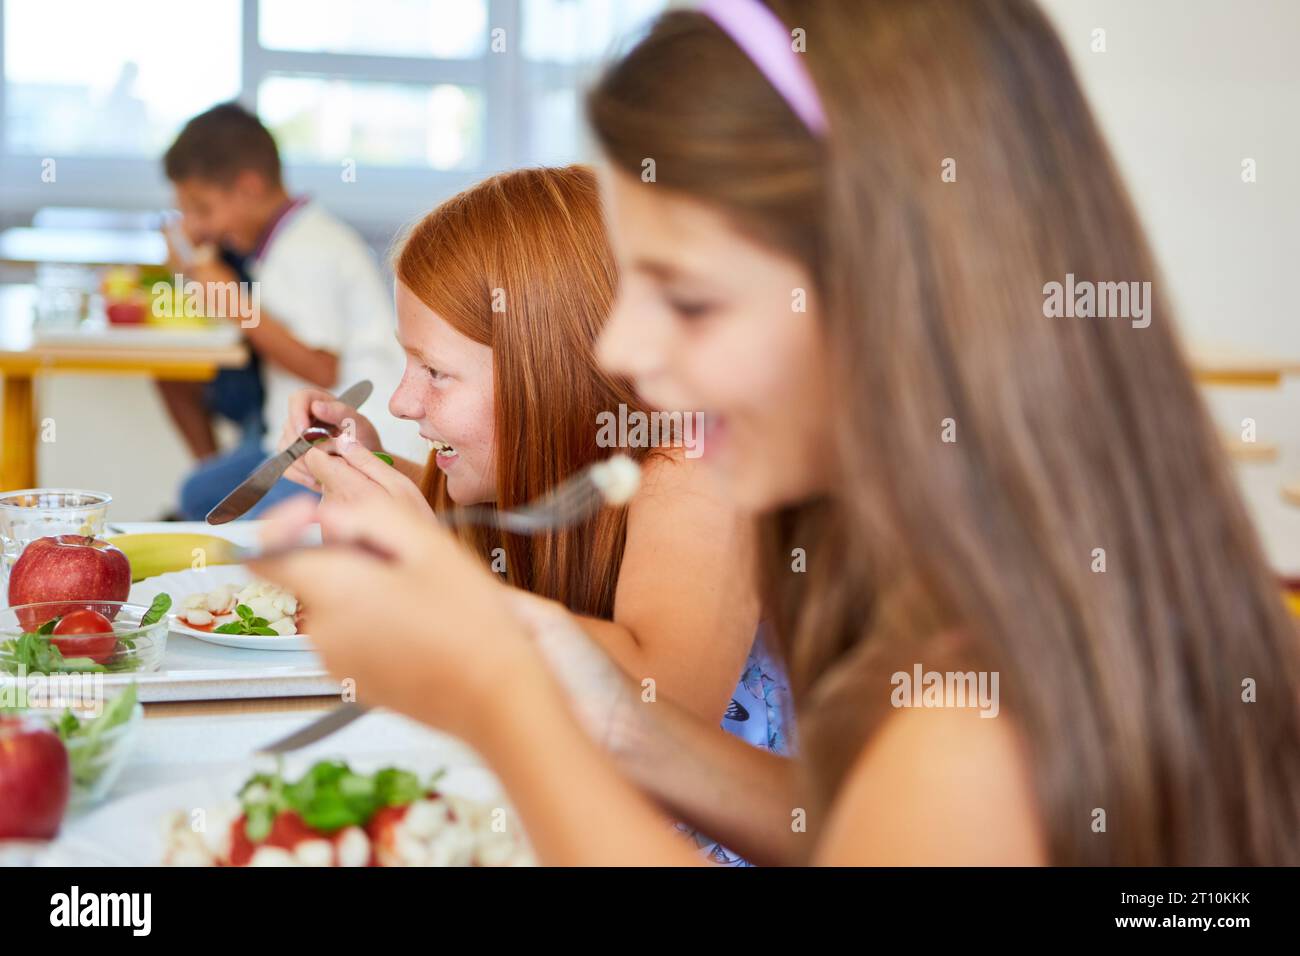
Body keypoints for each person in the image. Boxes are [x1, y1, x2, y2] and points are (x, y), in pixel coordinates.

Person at [252, 0, 1300, 865]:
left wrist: (501, 698)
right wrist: (606, 717)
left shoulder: (968, 737)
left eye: (691, 298)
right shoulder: (966, 591)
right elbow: (845, 828)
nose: (620, 345)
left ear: (900, 303)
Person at [273, 166, 764, 729]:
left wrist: (428, 566)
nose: (401, 403)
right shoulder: (576, 450)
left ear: (551, 376)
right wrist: (368, 465)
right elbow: (499, 523)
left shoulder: (697, 469)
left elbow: (667, 700)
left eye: (434, 370)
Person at [159, 102, 409, 520]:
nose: (198, 228)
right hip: (293, 439)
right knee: (198, 495)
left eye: (203, 209)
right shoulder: (280, 243)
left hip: (352, 447)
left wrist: (236, 303)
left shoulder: (308, 248)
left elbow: (321, 368)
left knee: (250, 528)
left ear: (250, 188)